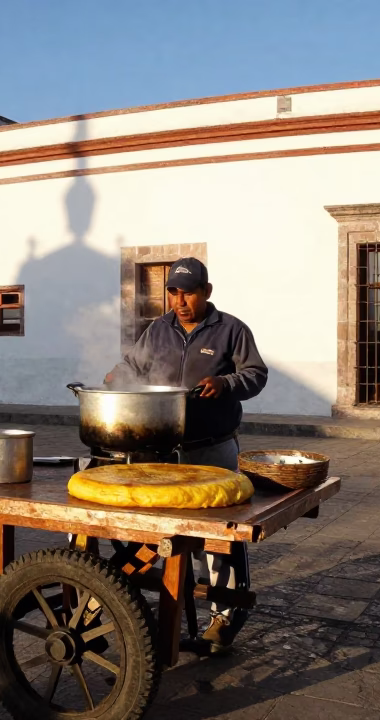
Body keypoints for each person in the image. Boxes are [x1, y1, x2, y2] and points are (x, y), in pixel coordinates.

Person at [105, 256, 268, 655]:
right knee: (164, 536)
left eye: (189, 292)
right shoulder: (157, 330)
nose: (181, 300)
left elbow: (256, 374)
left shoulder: (231, 329)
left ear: (206, 292)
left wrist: (226, 382)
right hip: (161, 454)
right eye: (174, 292)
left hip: (212, 450)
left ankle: (223, 617)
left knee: (218, 538)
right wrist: (116, 375)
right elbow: (133, 367)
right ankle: (166, 604)